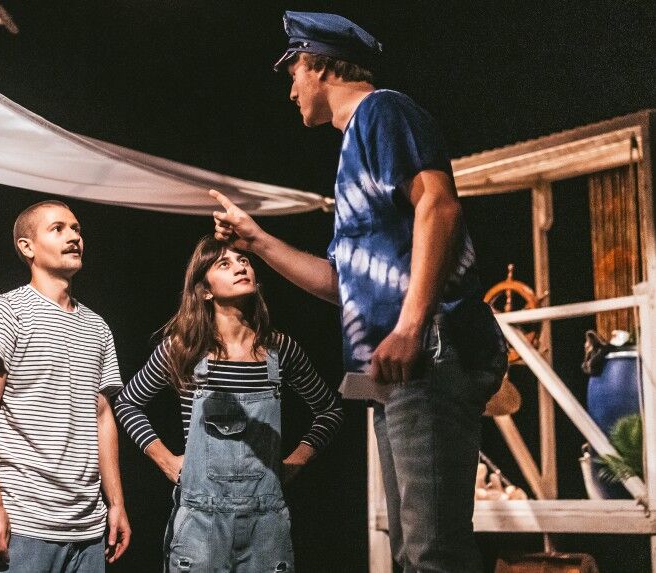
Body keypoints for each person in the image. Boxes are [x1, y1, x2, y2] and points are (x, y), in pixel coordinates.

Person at [209, 11, 507, 573]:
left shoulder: (381, 111)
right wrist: (257, 242)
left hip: (427, 354)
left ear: (320, 66)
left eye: (294, 71)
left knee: (434, 552)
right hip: (397, 371)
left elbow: (439, 205)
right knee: (412, 553)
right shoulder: (353, 150)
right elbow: (342, 283)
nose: (291, 89)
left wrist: (410, 327)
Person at [114, 235, 343, 572]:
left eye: (244, 261)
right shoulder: (184, 349)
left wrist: (296, 461)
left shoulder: (278, 350)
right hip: (201, 521)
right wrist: (165, 460)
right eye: (224, 263)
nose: (240, 267)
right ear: (205, 290)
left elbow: (330, 409)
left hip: (265, 523)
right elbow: (127, 403)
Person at [0, 200, 131, 572]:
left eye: (76, 229)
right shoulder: (6, 311)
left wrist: (116, 503)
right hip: (24, 523)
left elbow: (102, 416)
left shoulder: (97, 327)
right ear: (27, 247)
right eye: (58, 229)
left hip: (88, 529)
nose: (73, 237)